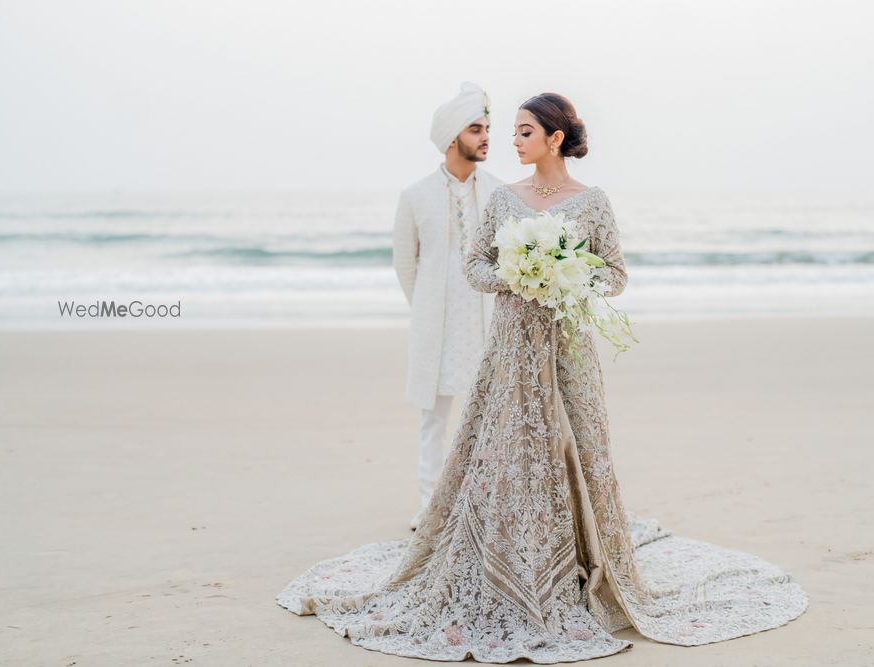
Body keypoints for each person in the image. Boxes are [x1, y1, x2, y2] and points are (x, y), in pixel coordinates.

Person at [276, 92, 808, 662]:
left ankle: (581, 564)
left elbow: (615, 275)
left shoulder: (593, 202)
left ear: (554, 139)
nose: (513, 141)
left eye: (524, 132)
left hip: (570, 345)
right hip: (511, 347)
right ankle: (506, 563)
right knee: (513, 450)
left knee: (576, 443)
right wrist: (520, 276)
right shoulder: (504, 200)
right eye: (511, 132)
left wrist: (566, 278)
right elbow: (475, 266)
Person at [392, 82, 505, 530]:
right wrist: (426, 311)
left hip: (487, 320)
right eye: (475, 129)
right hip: (436, 325)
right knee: (434, 419)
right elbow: (406, 265)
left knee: (490, 418)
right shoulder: (415, 196)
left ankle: (485, 504)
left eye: (487, 128)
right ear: (452, 136)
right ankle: (430, 506)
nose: (485, 137)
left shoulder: (499, 192)